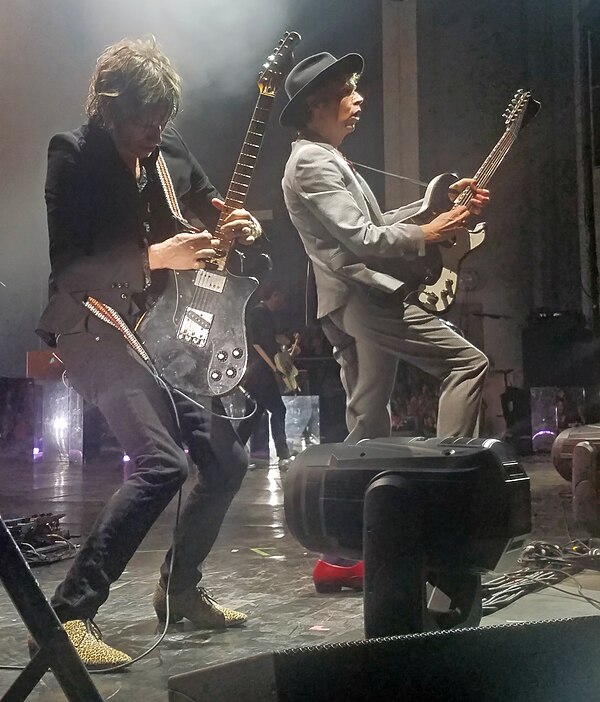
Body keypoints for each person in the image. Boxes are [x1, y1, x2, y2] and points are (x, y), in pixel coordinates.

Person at [36, 37, 262, 668]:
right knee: (161, 464)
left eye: (161, 118)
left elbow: (213, 202)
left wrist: (237, 222)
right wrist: (159, 258)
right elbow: (71, 270)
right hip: (93, 326)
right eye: (140, 118)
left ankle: (179, 591)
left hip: (164, 330)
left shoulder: (168, 148)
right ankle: (67, 617)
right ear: (107, 108)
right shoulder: (73, 156)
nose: (151, 130)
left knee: (226, 459)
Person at [280, 52, 490, 593]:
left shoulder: (323, 157)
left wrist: (433, 206)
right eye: (347, 91)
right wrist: (433, 229)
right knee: (467, 363)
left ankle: (350, 549)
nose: (359, 98)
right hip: (365, 299)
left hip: (352, 301)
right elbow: (365, 240)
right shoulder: (312, 162)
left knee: (368, 423)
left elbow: (372, 224)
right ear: (315, 105)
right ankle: (447, 503)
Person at [236, 283, 295, 470]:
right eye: (280, 296)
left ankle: (232, 455)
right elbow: (258, 344)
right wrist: (273, 367)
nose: (282, 301)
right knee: (277, 410)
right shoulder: (260, 313)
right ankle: (283, 455)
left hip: (260, 370)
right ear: (273, 294)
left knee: (254, 414)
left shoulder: (264, 314)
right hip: (261, 370)